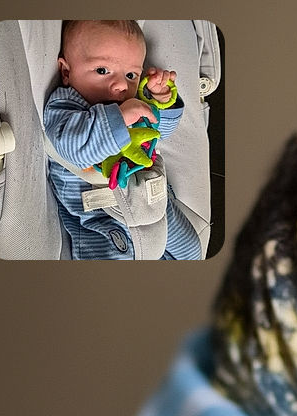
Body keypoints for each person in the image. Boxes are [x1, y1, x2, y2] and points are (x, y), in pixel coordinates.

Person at [43, 20, 200, 260]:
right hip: (101, 219)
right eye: (102, 70)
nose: (121, 85)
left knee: (192, 251)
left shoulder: (131, 102)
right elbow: (74, 148)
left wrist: (159, 101)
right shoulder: (65, 106)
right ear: (66, 72)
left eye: (131, 75)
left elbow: (158, 134)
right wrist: (118, 119)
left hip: (151, 200)